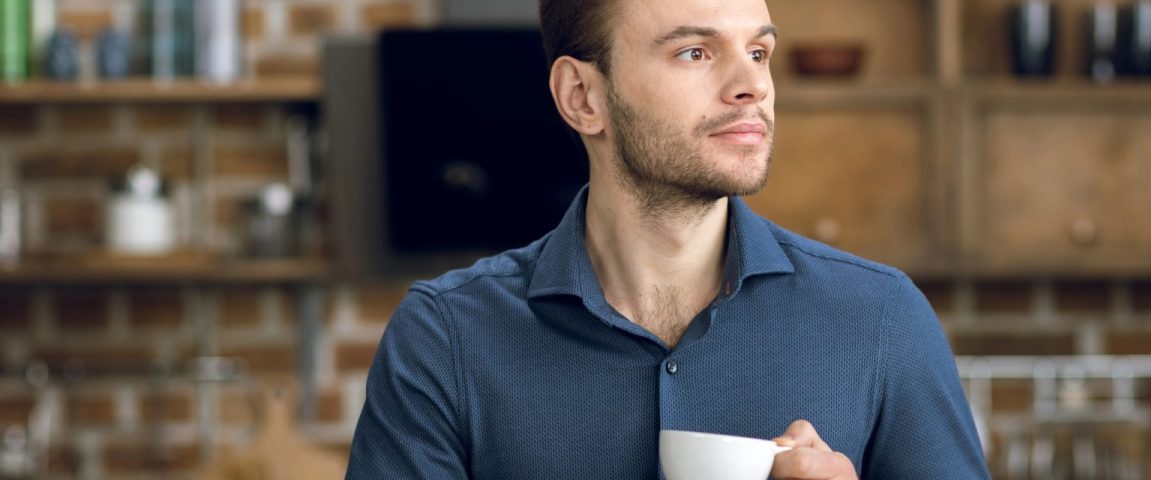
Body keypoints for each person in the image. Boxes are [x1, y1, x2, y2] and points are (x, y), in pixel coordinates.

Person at [345, 0, 990, 478]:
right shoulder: (444, 339)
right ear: (582, 97)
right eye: (695, 52)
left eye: (759, 52)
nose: (752, 86)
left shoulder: (882, 319)